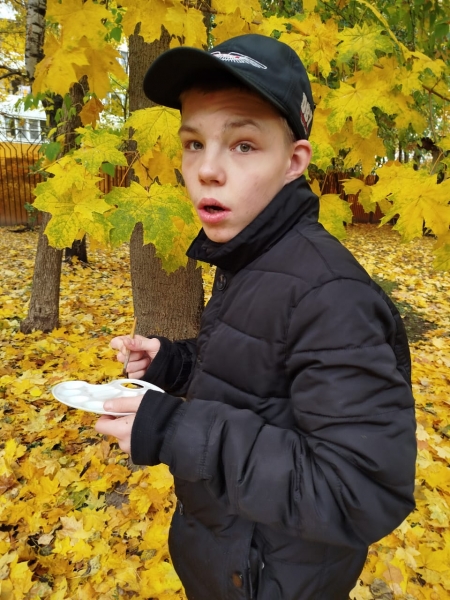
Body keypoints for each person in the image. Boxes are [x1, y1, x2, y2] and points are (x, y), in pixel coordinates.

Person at [95, 34, 416, 600]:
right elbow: (260, 379)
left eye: (243, 145)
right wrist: (172, 363)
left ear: (293, 162)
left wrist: (174, 429)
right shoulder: (251, 254)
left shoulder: (330, 294)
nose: (207, 170)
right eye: (193, 143)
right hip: (227, 556)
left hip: (274, 578)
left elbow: (361, 492)